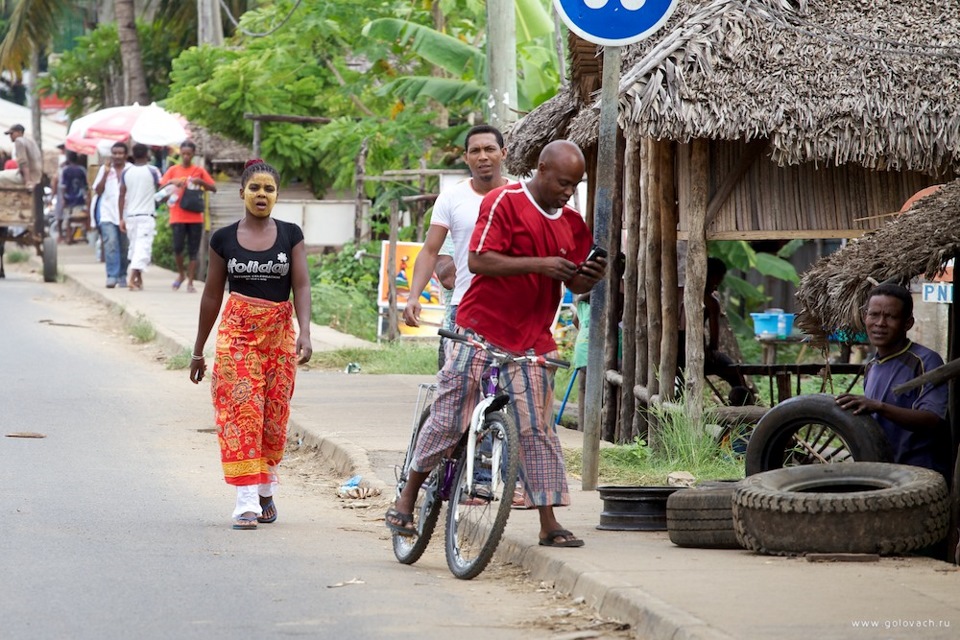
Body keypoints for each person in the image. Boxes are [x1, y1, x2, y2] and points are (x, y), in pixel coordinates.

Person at [386, 140, 606, 548]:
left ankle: (548, 522)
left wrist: (592, 274)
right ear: (541, 170)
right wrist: (541, 265)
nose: (567, 192)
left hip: (531, 338)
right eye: (561, 182)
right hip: (478, 327)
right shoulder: (504, 202)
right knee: (450, 415)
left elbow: (574, 280)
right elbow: (480, 260)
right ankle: (407, 497)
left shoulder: (572, 223)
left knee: (537, 429)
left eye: (574, 185)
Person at [189, 159, 313, 530]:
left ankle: (264, 487)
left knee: (273, 417)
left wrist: (305, 331)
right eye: (255, 188)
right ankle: (245, 501)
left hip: (278, 336)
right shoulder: (223, 239)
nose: (262, 195)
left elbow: (302, 285)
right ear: (242, 192)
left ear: (277, 195)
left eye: (269, 189)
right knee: (241, 411)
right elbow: (212, 295)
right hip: (238, 334)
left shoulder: (291, 234)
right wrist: (198, 350)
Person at [402, 124, 509, 359]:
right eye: (475, 151)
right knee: (460, 387)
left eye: (490, 149)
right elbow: (430, 251)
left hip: (512, 307)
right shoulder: (451, 198)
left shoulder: (519, 195)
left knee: (511, 388)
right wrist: (413, 297)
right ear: (466, 157)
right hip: (466, 306)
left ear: (503, 153)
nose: (483, 156)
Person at [836, 283, 950, 478]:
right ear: (865, 318)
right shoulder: (872, 366)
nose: (880, 323)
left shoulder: (925, 361)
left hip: (921, 477)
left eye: (891, 316)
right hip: (882, 474)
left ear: (908, 323)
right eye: (874, 315)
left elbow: (932, 419)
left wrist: (879, 406)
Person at [677, 257, 751, 405]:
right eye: (717, 281)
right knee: (733, 370)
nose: (716, 287)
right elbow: (714, 342)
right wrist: (711, 353)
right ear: (709, 276)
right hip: (693, 351)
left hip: (671, 351)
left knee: (679, 382)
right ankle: (743, 408)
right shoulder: (711, 302)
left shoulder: (676, 292)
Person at [160, 140, 217, 293]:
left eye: (189, 154)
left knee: (193, 251)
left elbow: (213, 187)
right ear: (180, 153)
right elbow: (161, 187)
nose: (185, 156)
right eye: (183, 153)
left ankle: (190, 281)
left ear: (193, 154)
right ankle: (181, 274)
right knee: (178, 248)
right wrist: (173, 181)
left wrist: (201, 182)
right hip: (177, 215)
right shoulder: (173, 170)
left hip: (195, 217)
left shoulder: (199, 170)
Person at [119, 144, 162, 291]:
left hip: (130, 216)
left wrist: (121, 218)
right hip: (146, 216)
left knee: (134, 248)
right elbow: (161, 189)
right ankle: (131, 278)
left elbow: (121, 195)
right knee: (142, 248)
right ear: (147, 154)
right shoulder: (153, 171)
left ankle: (138, 279)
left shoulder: (126, 171)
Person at [92, 142, 132, 288]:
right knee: (110, 244)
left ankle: (122, 275)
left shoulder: (131, 170)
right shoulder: (105, 169)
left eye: (120, 153)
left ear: (125, 155)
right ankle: (112, 276)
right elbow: (98, 190)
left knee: (124, 246)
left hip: (127, 215)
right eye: (114, 153)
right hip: (107, 214)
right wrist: (106, 174)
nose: (117, 156)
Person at [55, 151, 89, 243]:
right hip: (80, 199)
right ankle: (78, 237)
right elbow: (85, 186)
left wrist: (62, 199)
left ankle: (69, 238)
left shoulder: (65, 170)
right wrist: (87, 198)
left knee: (68, 218)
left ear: (68, 159)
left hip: (68, 198)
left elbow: (63, 186)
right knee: (80, 219)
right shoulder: (82, 170)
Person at [0, 124, 42, 189]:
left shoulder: (19, 141)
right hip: (36, 177)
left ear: (19, 132)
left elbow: (23, 162)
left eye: (12, 133)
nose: (10, 136)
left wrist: (27, 181)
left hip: (28, 177)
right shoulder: (31, 141)